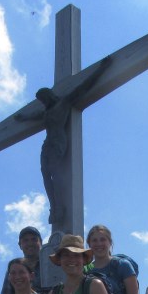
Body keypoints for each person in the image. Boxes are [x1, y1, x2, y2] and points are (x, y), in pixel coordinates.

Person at [16, 57, 111, 231]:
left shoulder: (64, 102)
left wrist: (101, 69)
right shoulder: (46, 113)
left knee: (56, 173)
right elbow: (32, 116)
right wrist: (22, 118)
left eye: (45, 98)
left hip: (59, 140)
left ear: (50, 95)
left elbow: (85, 86)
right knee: (45, 173)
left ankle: (59, 207)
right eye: (42, 100)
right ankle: (54, 206)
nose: (44, 102)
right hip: (47, 143)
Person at [0, 226, 48, 294]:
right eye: (25, 240)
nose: (30, 243)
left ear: (41, 242)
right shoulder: (13, 268)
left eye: (34, 239)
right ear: (20, 245)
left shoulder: (51, 264)